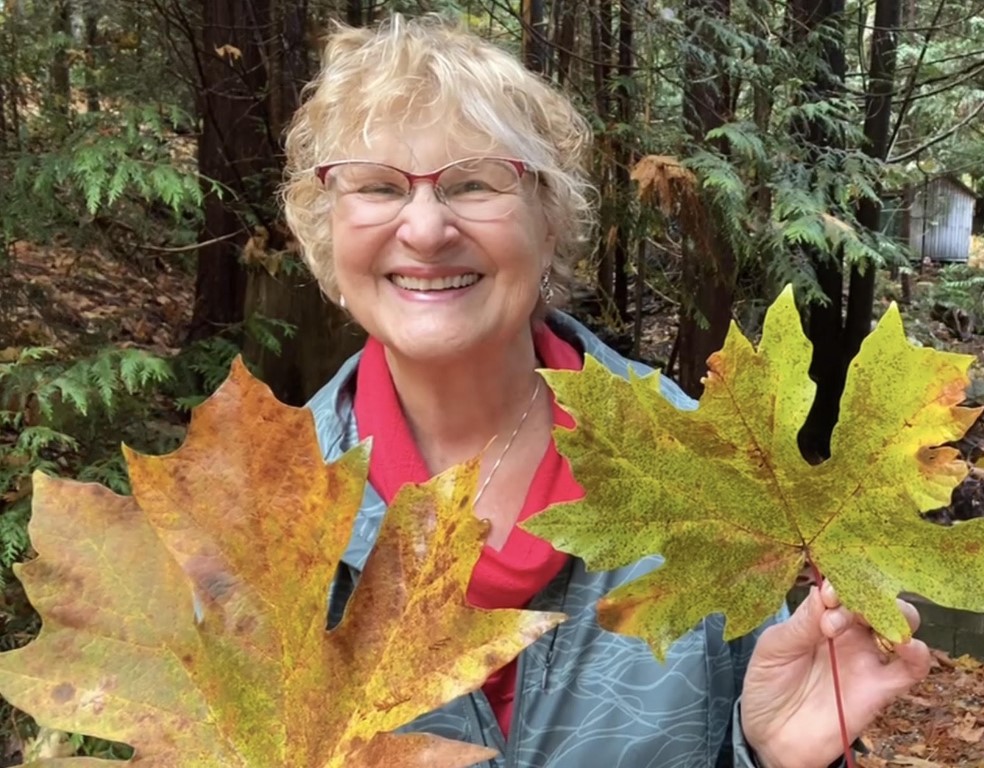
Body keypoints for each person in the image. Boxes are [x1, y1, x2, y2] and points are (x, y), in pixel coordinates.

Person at [282, 15, 931, 768]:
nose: (426, 229)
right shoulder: (260, 508)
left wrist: (769, 754)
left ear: (548, 220)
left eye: (473, 183)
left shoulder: (695, 462)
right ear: (325, 225)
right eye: (377, 186)